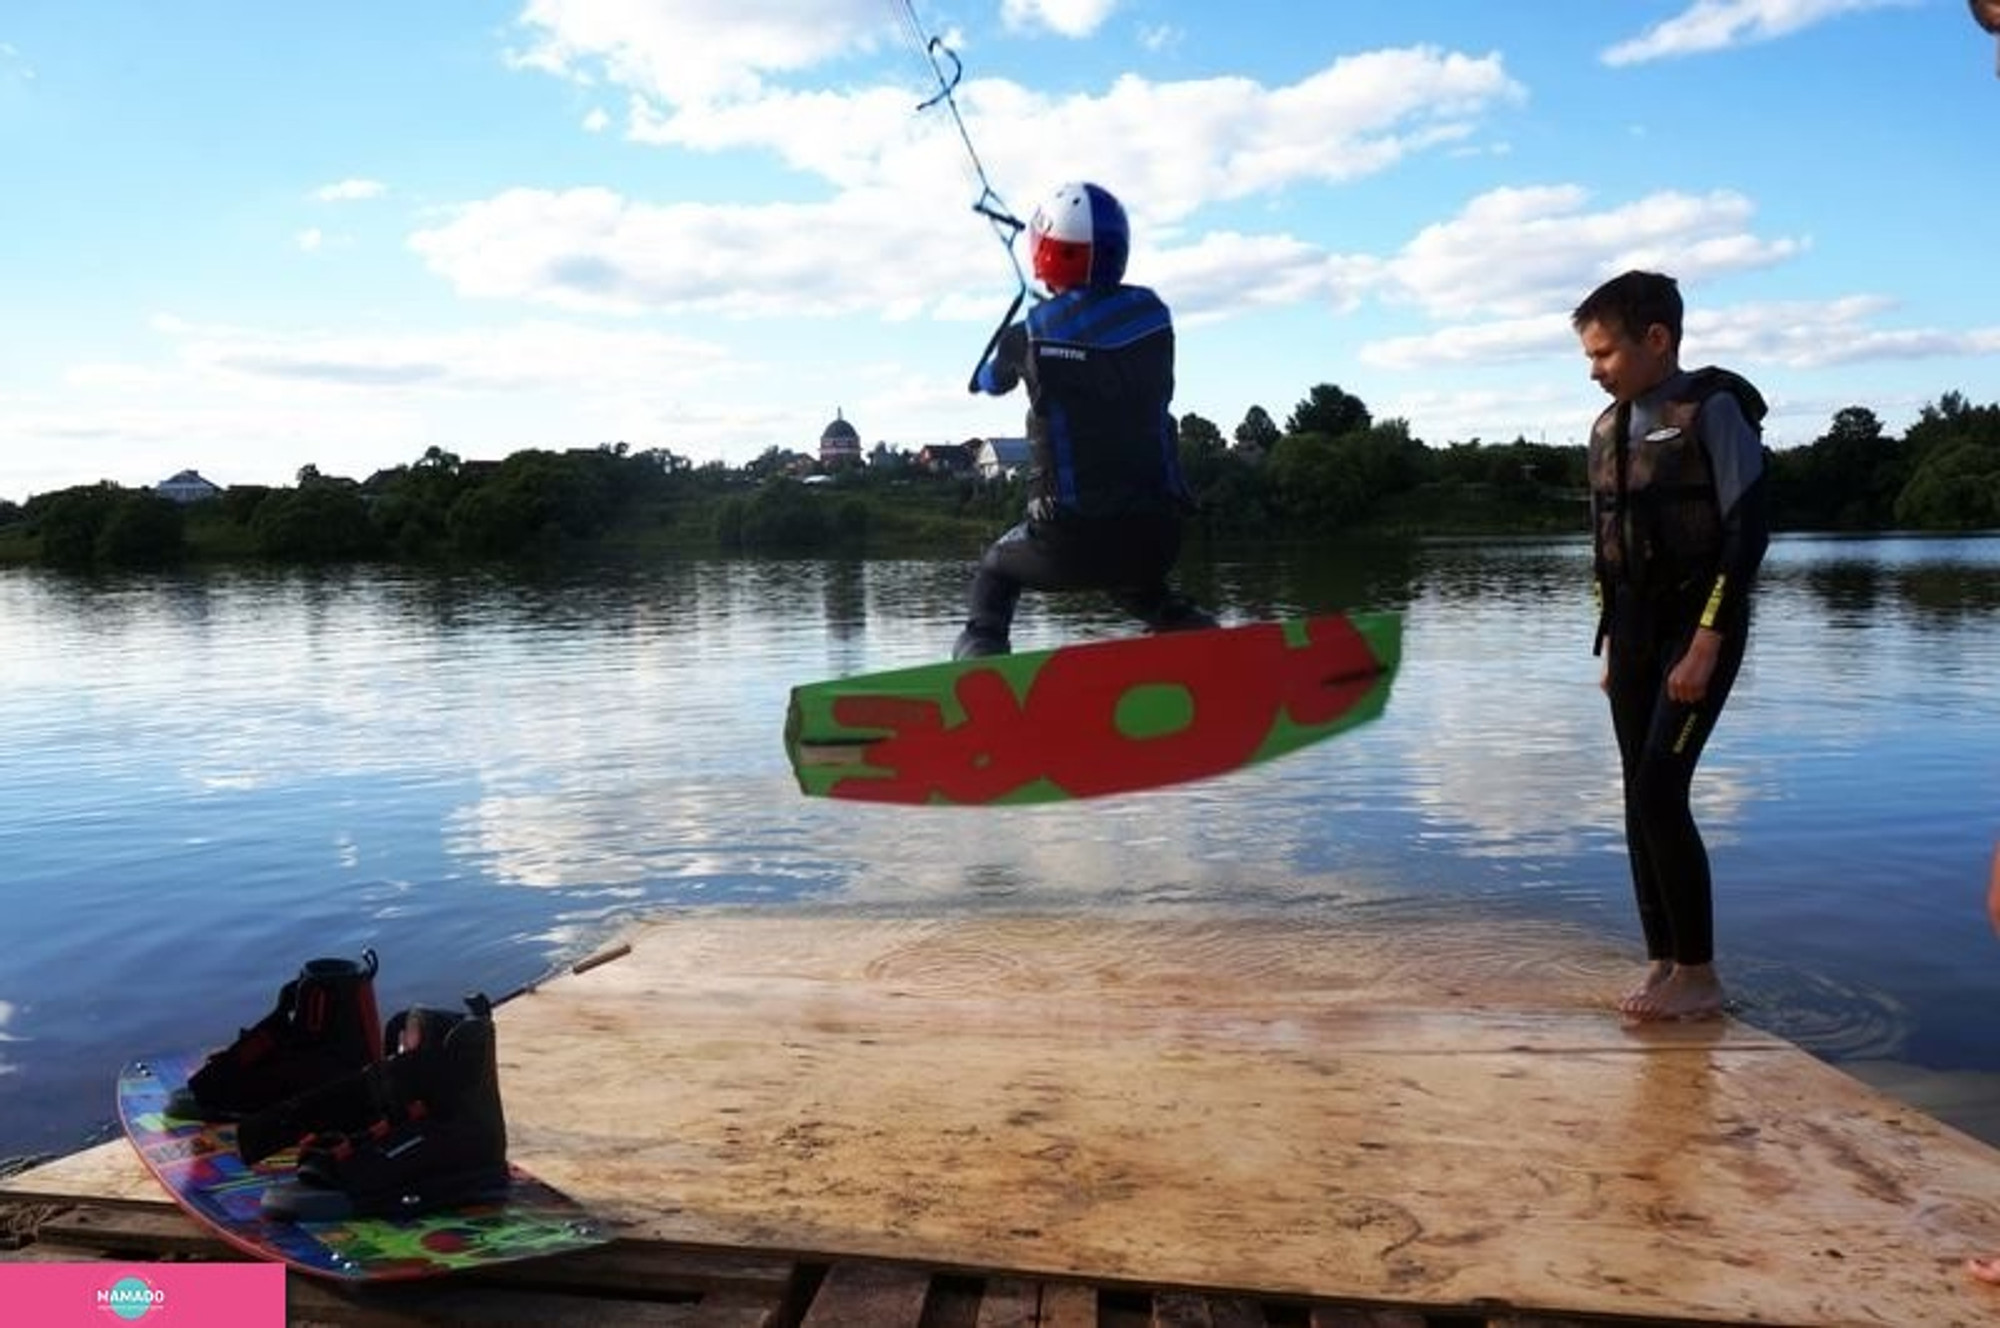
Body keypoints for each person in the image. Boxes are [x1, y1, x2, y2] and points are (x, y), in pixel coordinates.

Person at [1573, 270, 1771, 1022]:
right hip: (1629, 631)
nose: (1595, 371)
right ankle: (1663, 960)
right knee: (1635, 793)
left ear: (1657, 340)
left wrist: (1706, 644)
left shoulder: (1711, 410)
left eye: (1604, 354)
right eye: (1589, 358)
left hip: (1697, 627)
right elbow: (1605, 546)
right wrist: (1609, 647)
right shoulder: (1605, 428)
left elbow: (1746, 534)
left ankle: (1701, 972)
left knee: (1662, 788)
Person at [952, 181, 1214, 660]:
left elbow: (988, 383)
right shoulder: (1155, 314)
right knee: (1135, 583)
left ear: (1045, 252)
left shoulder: (1027, 333)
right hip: (1159, 535)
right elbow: (1094, 332)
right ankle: (1207, 643)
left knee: (993, 572)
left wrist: (1019, 340)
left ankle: (980, 675)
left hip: (1067, 541)